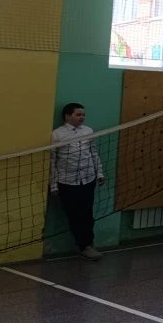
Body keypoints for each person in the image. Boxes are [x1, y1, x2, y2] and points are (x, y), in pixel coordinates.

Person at [51, 103, 105, 261]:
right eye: (78, 114)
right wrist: (53, 185)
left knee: (87, 214)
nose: (82, 117)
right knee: (74, 215)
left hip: (88, 179)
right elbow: (52, 161)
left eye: (83, 115)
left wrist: (99, 173)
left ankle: (88, 244)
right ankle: (84, 246)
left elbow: (94, 153)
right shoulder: (57, 134)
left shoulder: (88, 131)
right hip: (67, 182)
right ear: (67, 116)